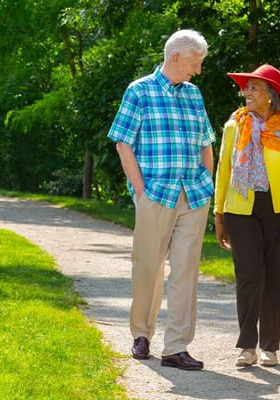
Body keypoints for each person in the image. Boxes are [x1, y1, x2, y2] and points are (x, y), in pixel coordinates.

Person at [107, 29, 215, 371]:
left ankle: (176, 347)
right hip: (156, 193)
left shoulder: (194, 95)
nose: (197, 71)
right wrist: (140, 190)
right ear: (176, 58)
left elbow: (205, 143)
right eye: (195, 64)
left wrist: (207, 184)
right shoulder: (139, 91)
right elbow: (123, 143)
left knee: (186, 272)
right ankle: (142, 334)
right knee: (148, 267)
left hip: (193, 194)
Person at [213, 64, 280, 367]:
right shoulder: (235, 124)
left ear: (271, 96)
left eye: (254, 88)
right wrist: (219, 213)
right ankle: (247, 346)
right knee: (248, 275)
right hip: (240, 208)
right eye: (246, 87)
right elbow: (224, 170)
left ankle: (270, 345)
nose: (246, 92)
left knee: (276, 277)